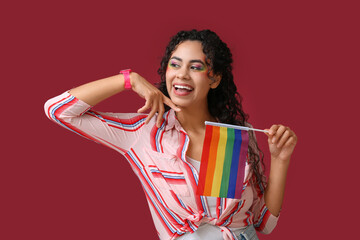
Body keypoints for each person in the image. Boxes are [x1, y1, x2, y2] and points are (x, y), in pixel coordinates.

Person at [44, 29, 297, 240]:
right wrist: (128, 80)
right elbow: (58, 111)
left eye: (195, 67)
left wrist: (280, 158)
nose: (182, 74)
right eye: (175, 64)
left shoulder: (230, 137)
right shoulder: (144, 132)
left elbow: (264, 223)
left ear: (215, 79)